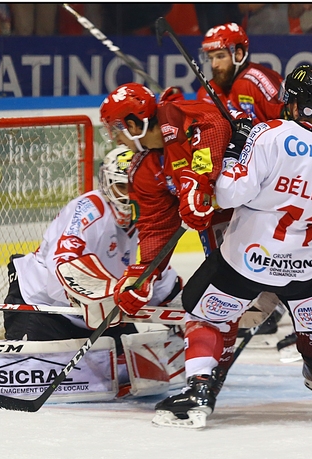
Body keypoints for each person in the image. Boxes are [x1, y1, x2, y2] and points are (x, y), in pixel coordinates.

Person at [149, 65, 312, 430]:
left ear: (295, 105)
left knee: (205, 317)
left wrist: (233, 152)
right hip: (307, 264)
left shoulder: (271, 133)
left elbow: (229, 194)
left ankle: (199, 390)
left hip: (248, 260)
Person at [99, 81, 239, 397]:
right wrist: (143, 274)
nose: (117, 139)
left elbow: (214, 124)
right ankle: (216, 368)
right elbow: (156, 227)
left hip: (268, 213)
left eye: (117, 129)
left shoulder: (178, 115)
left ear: (133, 123)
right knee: (216, 298)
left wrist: (199, 181)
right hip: (223, 225)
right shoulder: (146, 168)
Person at [4, 147, 181, 362]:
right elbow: (63, 262)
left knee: (136, 369)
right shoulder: (90, 208)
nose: (130, 196)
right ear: (106, 183)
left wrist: (190, 316)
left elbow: (156, 278)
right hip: (44, 308)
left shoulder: (150, 219)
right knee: (33, 370)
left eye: (137, 187)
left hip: (102, 317)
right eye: (122, 186)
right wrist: (108, 295)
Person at [197, 23, 284, 124]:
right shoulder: (208, 92)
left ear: (238, 54)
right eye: (211, 58)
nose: (214, 65)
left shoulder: (254, 82)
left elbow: (288, 120)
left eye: (220, 56)